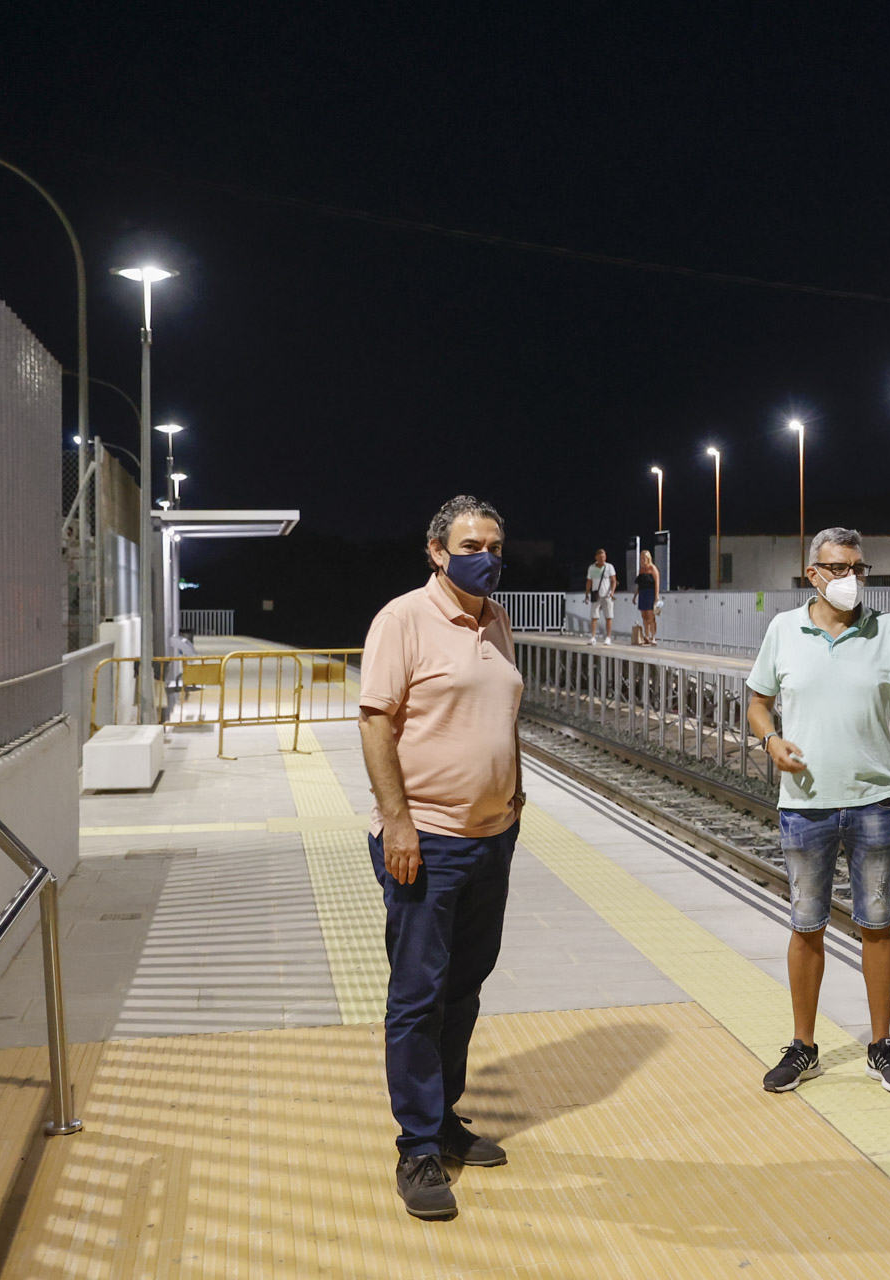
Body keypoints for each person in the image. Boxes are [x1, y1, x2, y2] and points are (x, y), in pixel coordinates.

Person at [746, 527, 890, 1096]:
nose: (851, 580)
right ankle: (803, 1046)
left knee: (878, 925)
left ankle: (881, 1045)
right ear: (812, 573)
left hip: (873, 802)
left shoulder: (887, 629)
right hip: (806, 805)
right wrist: (771, 742)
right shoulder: (783, 630)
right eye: (838, 569)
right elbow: (758, 703)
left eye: (858, 569)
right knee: (806, 926)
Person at [358, 495, 524, 1220]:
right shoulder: (403, 619)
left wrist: (514, 800)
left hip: (494, 837)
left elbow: (501, 716)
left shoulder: (498, 620)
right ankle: (418, 1145)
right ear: (436, 550)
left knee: (465, 986)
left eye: (493, 543)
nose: (484, 554)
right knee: (419, 994)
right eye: (469, 543)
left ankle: (445, 1116)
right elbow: (374, 724)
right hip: (426, 840)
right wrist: (398, 821)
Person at [585, 548, 617, 645]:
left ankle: (608, 637)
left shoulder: (609, 567)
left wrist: (612, 591)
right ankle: (593, 637)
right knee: (594, 616)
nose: (602, 559)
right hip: (596, 594)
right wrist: (587, 593)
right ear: (596, 558)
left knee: (608, 616)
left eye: (603, 557)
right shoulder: (591, 568)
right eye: (600, 557)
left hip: (607, 595)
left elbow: (614, 580)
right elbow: (589, 582)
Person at [633, 549, 659, 646]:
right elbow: (639, 584)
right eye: (641, 558)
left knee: (651, 616)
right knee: (644, 616)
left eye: (644, 558)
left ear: (648, 558)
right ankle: (646, 636)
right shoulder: (641, 570)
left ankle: (653, 637)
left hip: (651, 593)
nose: (643, 560)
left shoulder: (653, 568)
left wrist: (656, 596)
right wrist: (635, 596)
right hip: (642, 593)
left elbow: (657, 583)